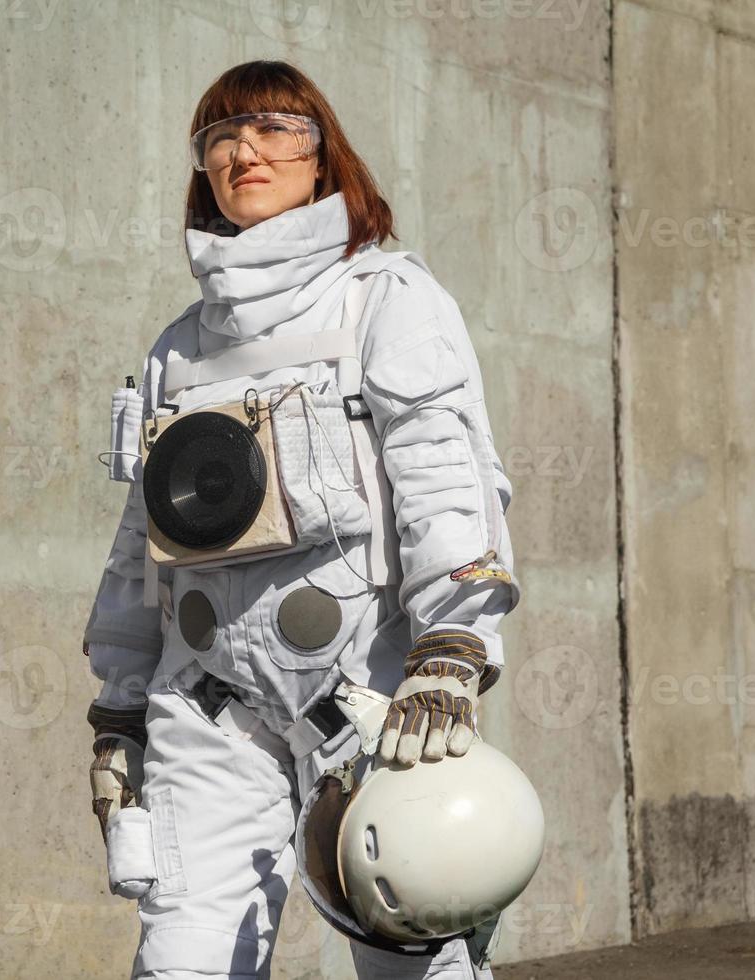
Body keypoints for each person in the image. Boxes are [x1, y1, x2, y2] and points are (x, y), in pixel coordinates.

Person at [81, 60, 522, 980]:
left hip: (368, 695)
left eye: (276, 129)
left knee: (413, 945)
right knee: (181, 962)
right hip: (208, 701)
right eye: (219, 138)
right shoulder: (181, 347)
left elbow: (446, 476)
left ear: (324, 158)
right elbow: (141, 542)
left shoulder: (386, 300)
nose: (245, 151)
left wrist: (450, 649)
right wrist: (119, 707)